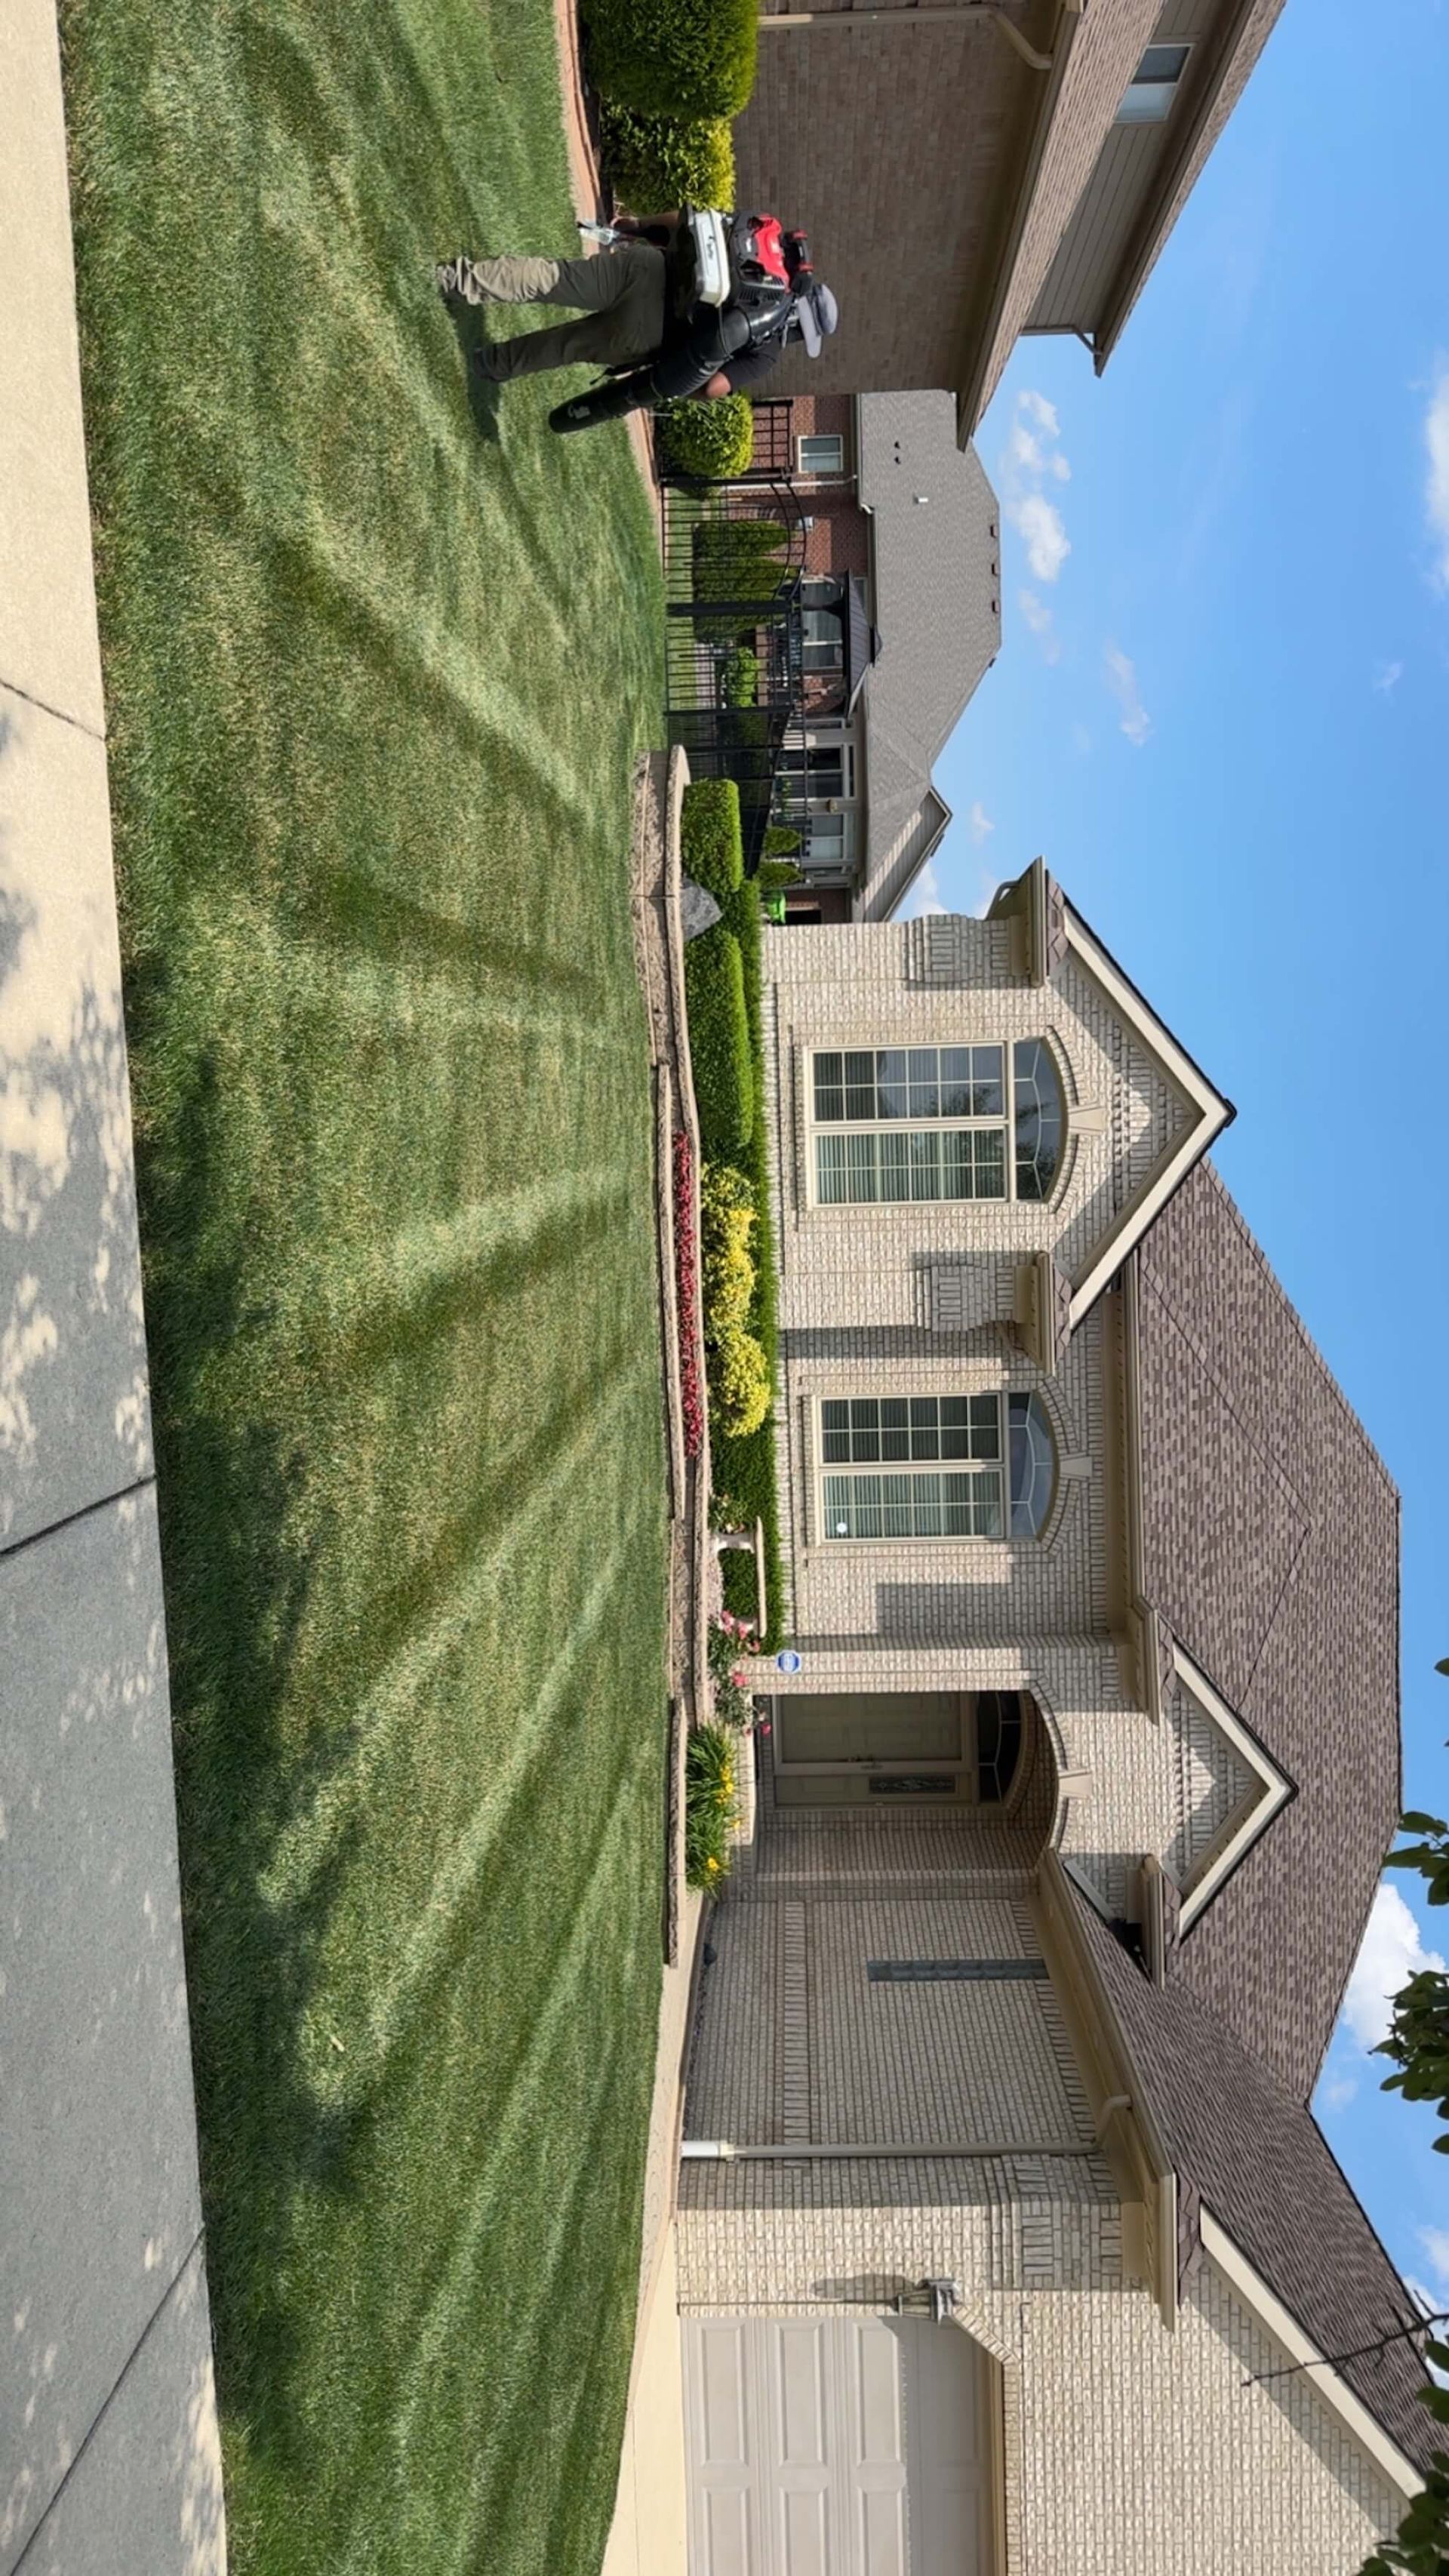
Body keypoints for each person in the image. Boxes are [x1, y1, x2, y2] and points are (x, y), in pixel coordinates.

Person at [435, 214, 837, 392]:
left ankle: (455, 280)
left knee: (552, 279)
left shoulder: (757, 243)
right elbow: (715, 386)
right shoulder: (768, 349)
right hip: (648, 334)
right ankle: (487, 364)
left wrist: (635, 227)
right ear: (804, 329)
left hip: (646, 268)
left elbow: (689, 223)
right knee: (566, 345)